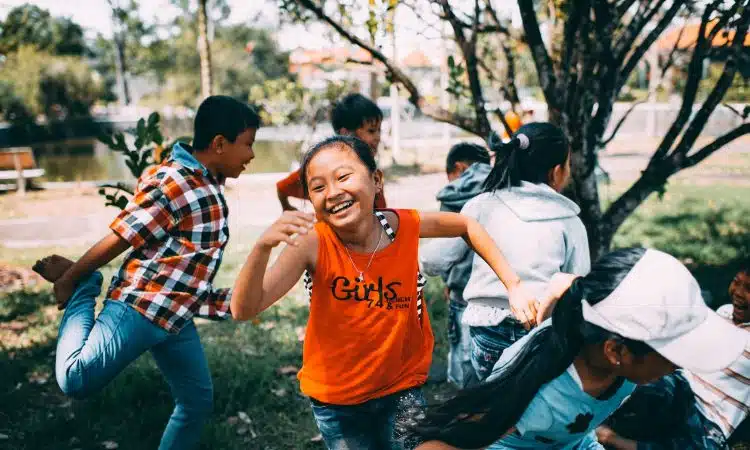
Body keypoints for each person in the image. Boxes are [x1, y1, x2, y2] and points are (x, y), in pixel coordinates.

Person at [230, 135, 536, 450]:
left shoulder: (401, 226)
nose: (333, 192)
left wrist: (513, 285)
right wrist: (262, 247)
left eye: (343, 177)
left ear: (376, 180)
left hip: (401, 387)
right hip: (337, 400)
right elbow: (244, 309)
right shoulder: (313, 243)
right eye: (318, 187)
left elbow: (467, 225)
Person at [31, 95, 260, 450]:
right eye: (247, 145)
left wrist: (228, 301)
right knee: (75, 380)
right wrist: (73, 277)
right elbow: (124, 234)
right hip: (142, 307)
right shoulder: (176, 180)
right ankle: (87, 288)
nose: (251, 155)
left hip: (175, 317)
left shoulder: (207, 181)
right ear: (219, 144)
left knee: (196, 401)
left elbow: (187, 265)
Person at [409, 247, 749, 450]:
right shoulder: (534, 394)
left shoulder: (604, 340)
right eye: (674, 353)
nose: (679, 366)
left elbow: (569, 284)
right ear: (617, 352)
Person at [424, 123, 590, 383]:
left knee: (490, 406)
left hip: (486, 332)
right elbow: (579, 281)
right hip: (540, 332)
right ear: (556, 171)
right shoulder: (569, 221)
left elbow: (432, 260)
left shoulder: (481, 206)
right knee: (527, 407)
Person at [595, 262, 750, 450]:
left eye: (748, 288)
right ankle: (595, 427)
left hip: (712, 418)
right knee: (646, 386)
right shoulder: (723, 312)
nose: (738, 292)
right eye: (736, 282)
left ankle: (610, 439)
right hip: (681, 388)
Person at [420, 142, 491, 389]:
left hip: (464, 293)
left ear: (458, 168)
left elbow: (437, 257)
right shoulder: (503, 188)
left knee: (464, 366)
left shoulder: (457, 195)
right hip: (504, 299)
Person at [276, 93, 385, 211]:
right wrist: (287, 207)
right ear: (346, 134)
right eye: (371, 131)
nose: (378, 137)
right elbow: (282, 187)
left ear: (376, 179)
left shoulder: (369, 166)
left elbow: (380, 211)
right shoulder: (323, 166)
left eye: (379, 130)